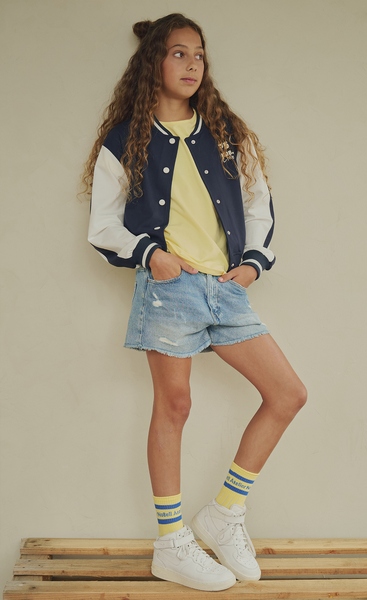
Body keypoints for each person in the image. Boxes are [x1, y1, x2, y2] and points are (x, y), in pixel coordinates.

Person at [83, 13, 307, 592]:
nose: (192, 65)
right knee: (175, 406)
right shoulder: (124, 139)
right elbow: (102, 225)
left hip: (225, 288)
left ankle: (225, 513)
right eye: (179, 53)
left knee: (287, 394)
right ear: (153, 61)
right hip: (169, 288)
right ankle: (171, 543)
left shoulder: (227, 132)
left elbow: (258, 200)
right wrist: (150, 254)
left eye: (199, 55)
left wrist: (253, 263)